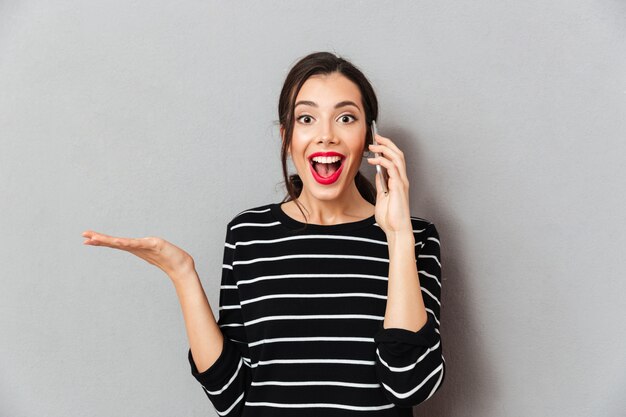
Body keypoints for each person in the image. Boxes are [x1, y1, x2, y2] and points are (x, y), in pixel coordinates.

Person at [81, 51, 445, 416]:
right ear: (287, 137)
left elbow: (411, 382)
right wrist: (182, 274)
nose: (325, 136)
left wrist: (397, 237)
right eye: (307, 118)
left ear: (369, 136)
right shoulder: (248, 236)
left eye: (346, 118)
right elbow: (231, 396)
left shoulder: (416, 238)